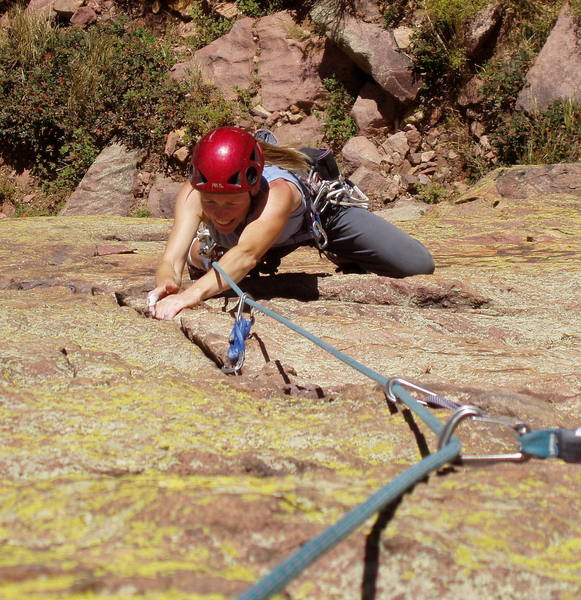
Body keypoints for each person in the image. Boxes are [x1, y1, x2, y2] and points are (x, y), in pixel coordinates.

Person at [149, 126, 435, 320]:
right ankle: (204, 249)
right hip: (243, 238)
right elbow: (170, 259)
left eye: (231, 202)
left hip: (318, 221)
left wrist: (192, 296)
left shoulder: (278, 193)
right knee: (202, 257)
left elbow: (247, 255)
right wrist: (168, 285)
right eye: (211, 202)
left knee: (417, 265)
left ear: (251, 187)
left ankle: (344, 250)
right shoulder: (194, 191)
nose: (220, 213)